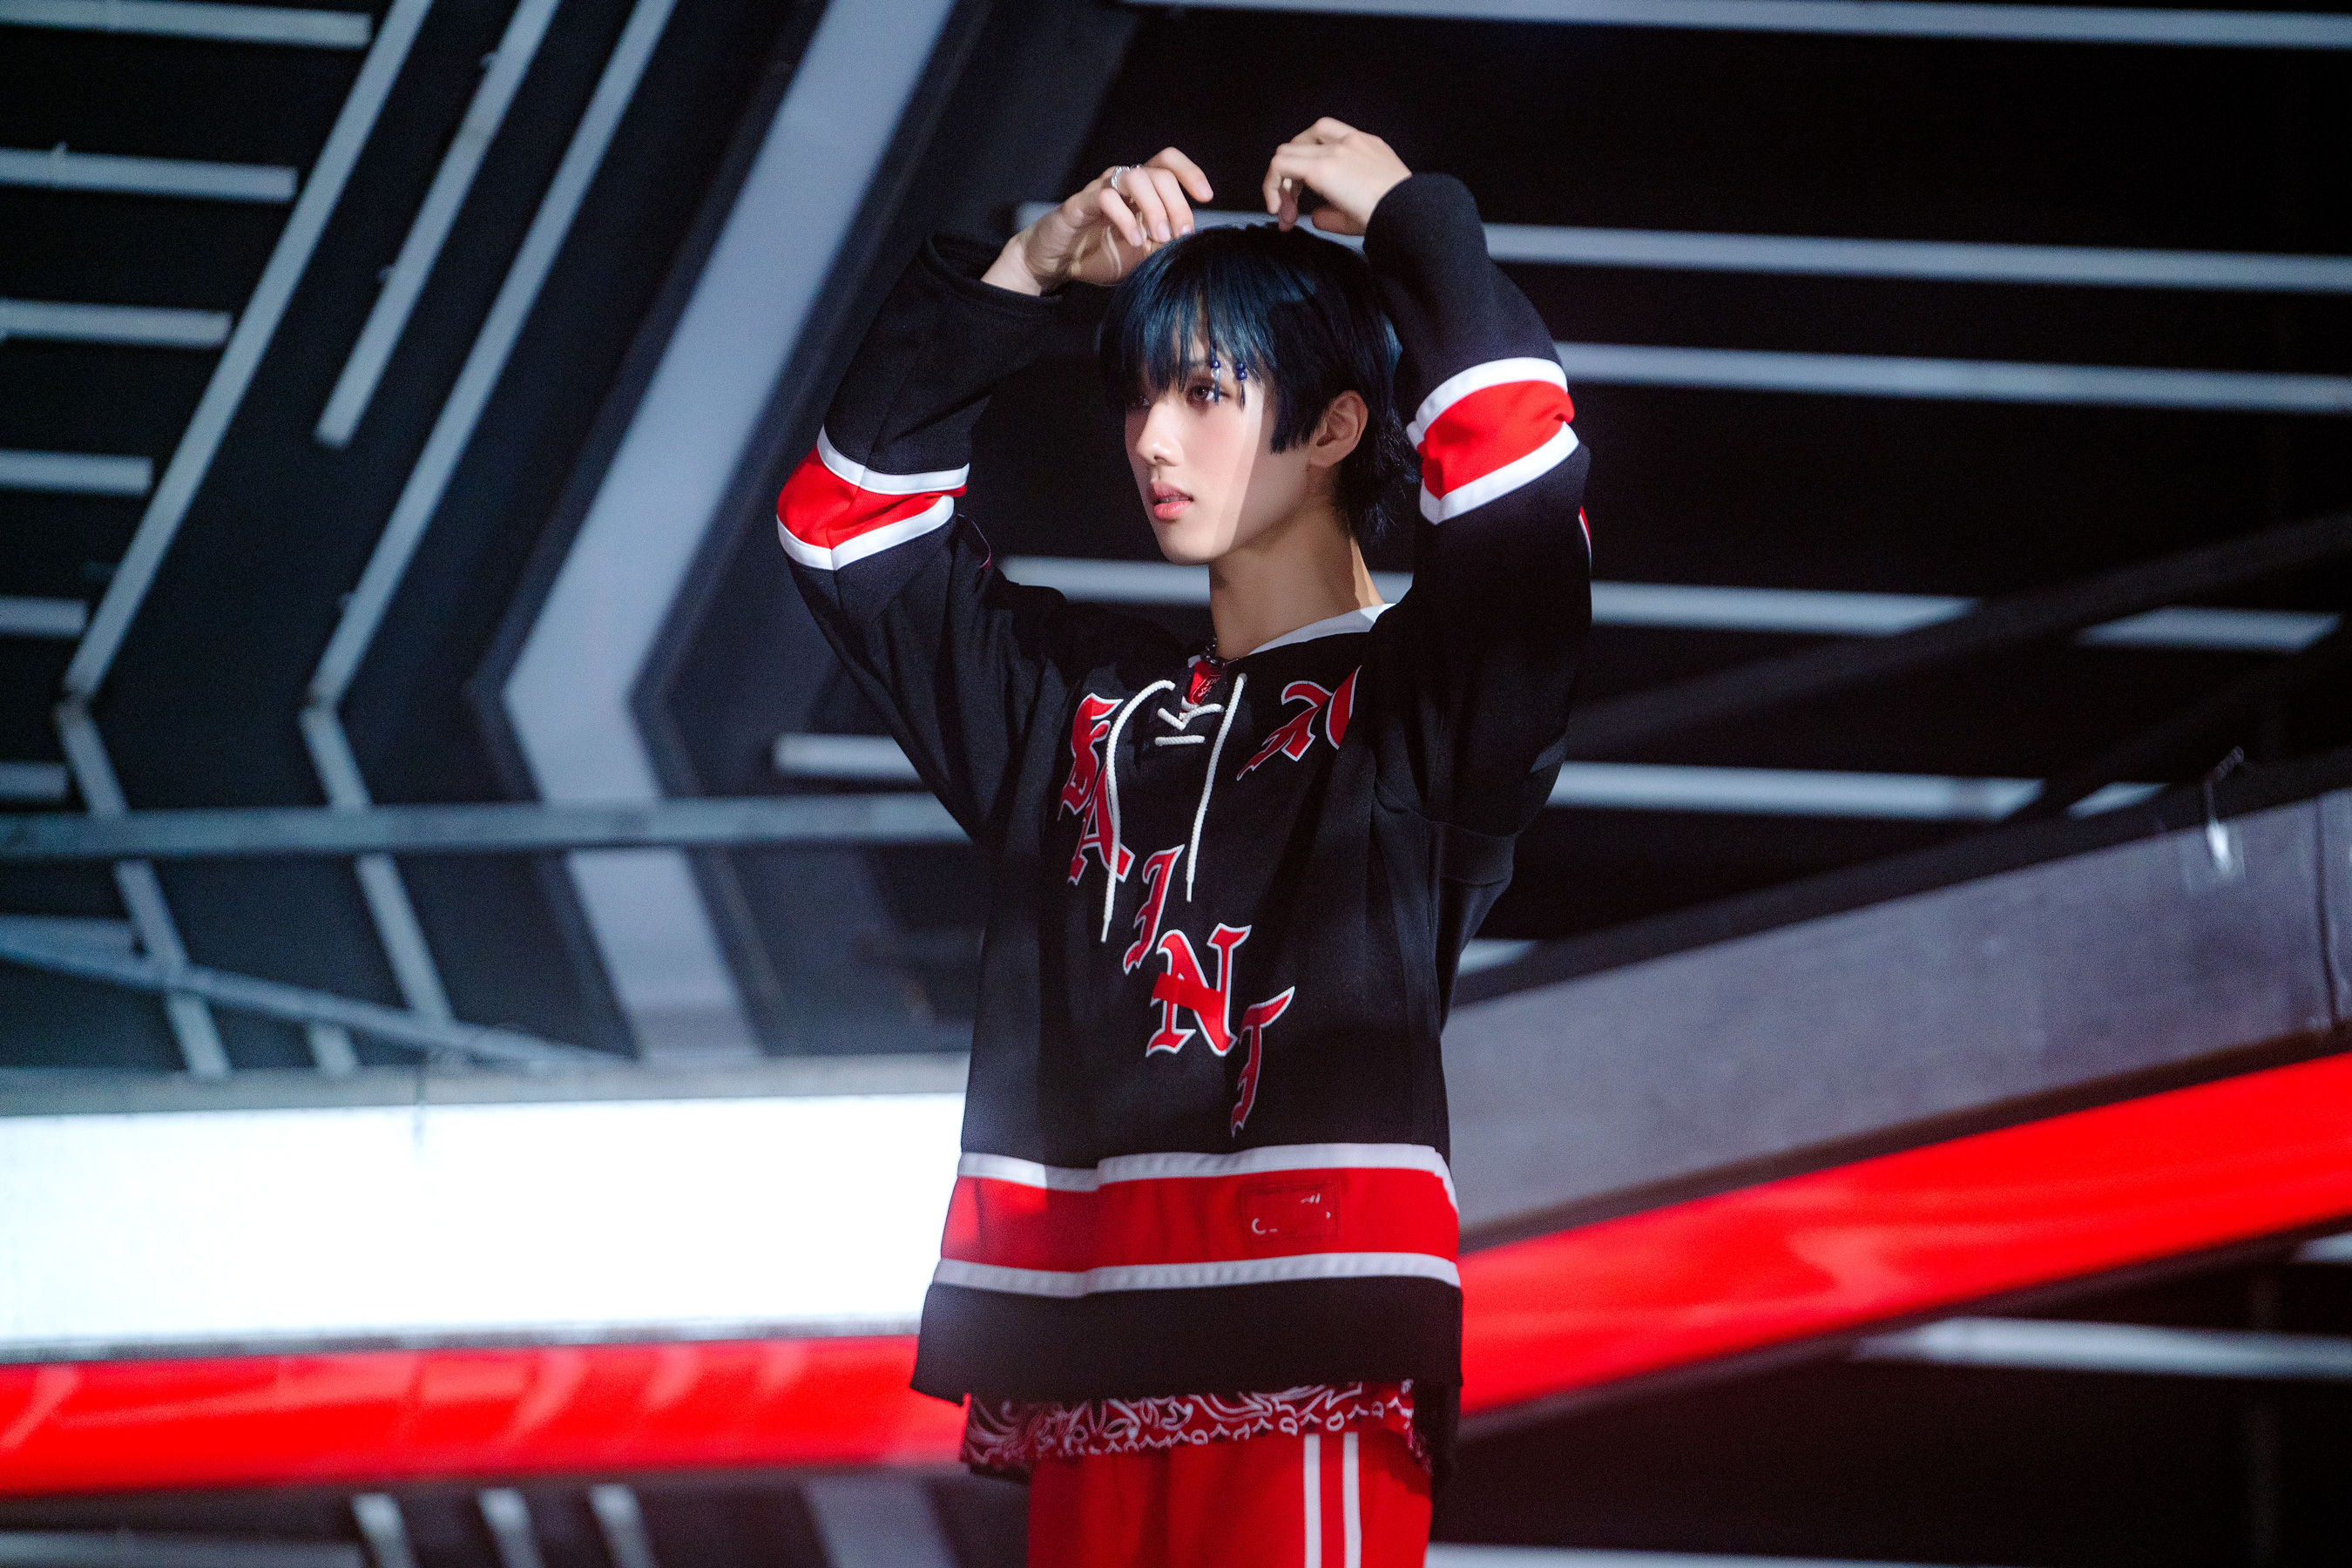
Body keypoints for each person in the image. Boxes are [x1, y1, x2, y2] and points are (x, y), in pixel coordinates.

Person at [777, 118, 1590, 1568]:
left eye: (1206, 391)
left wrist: (1416, 219)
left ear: (1334, 427)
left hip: (1313, 1328)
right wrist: (1028, 270)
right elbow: (844, 532)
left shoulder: (1419, 701)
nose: (1152, 438)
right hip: (1092, 1342)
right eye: (1142, 394)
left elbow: (1523, 487)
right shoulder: (1078, 710)